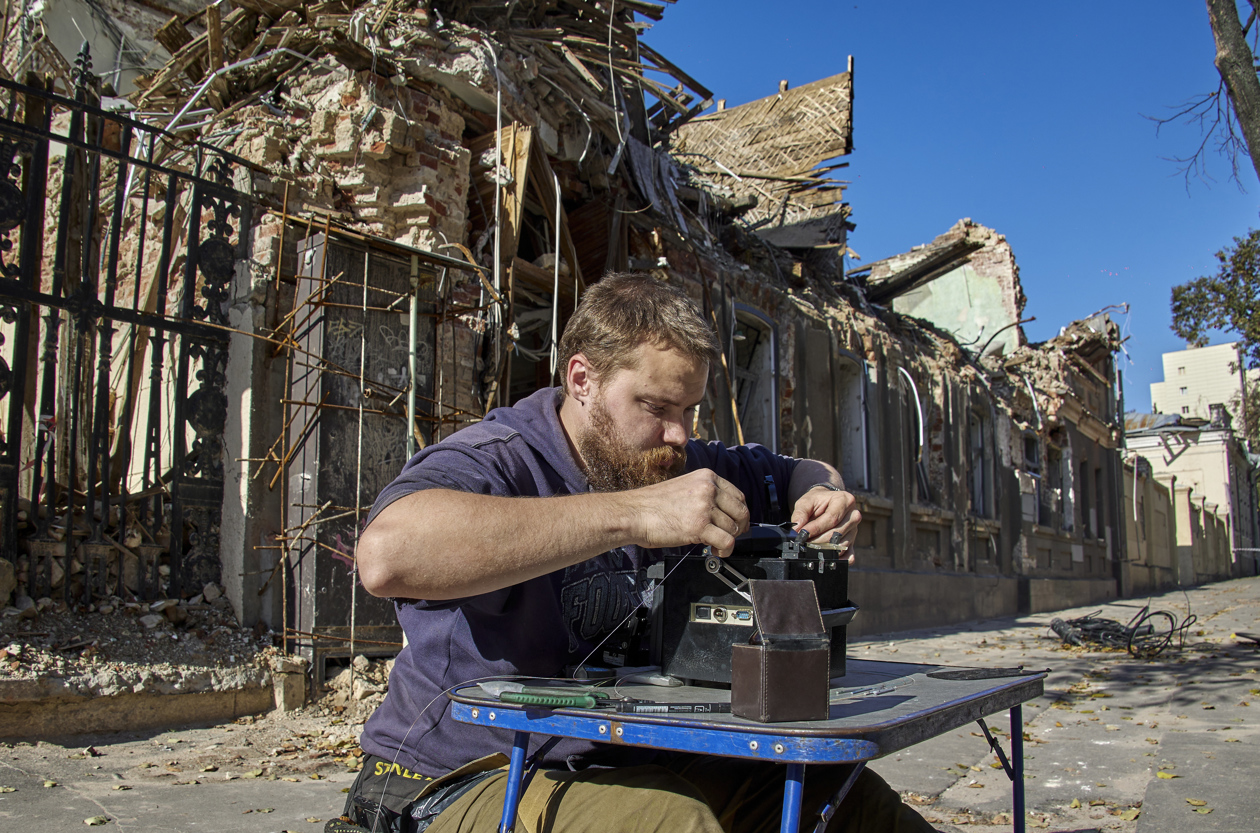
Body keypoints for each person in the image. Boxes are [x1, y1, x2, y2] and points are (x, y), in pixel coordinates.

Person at [331, 273, 935, 833]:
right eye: (656, 408)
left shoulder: (673, 459)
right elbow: (387, 555)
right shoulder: (498, 457)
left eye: (690, 408)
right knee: (670, 826)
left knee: (849, 805)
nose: (679, 433)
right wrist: (634, 513)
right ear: (581, 380)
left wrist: (824, 496)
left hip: (627, 763)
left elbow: (794, 471)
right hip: (451, 782)